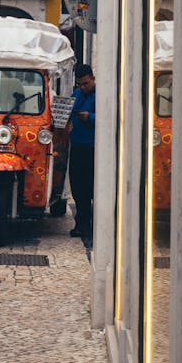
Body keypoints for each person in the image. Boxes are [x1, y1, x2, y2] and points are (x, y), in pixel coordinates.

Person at [68, 64, 96, 238]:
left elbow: (112, 117)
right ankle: (81, 223)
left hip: (93, 148)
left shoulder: (102, 95)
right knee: (78, 188)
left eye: (86, 83)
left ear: (93, 79)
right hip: (77, 146)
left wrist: (90, 117)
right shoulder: (76, 95)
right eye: (79, 84)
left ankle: (90, 224)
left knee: (90, 188)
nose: (83, 87)